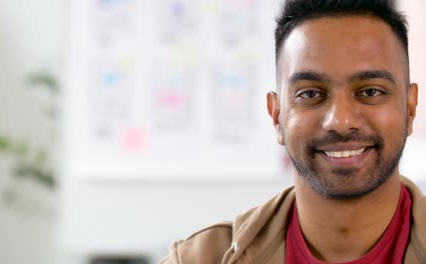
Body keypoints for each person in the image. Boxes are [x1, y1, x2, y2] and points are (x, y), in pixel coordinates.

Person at [161, 0, 426, 263]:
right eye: (310, 93)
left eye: (370, 92)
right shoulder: (198, 259)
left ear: (410, 107)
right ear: (276, 115)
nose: (340, 121)